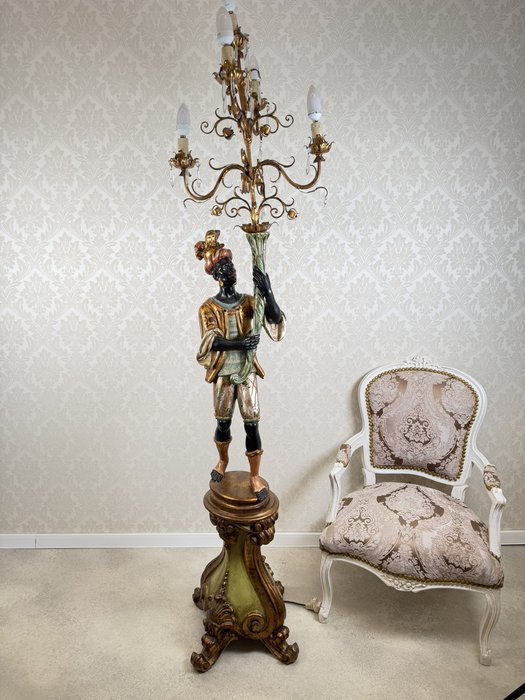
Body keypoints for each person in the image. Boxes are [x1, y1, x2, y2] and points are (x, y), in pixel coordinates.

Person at [195, 231, 285, 501]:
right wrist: (241, 343)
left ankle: (255, 475)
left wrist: (267, 290)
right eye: (224, 267)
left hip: (247, 371)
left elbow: (274, 319)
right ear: (216, 275)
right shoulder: (208, 308)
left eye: (232, 266)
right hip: (224, 373)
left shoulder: (248, 302)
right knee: (223, 423)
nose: (231, 270)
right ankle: (222, 460)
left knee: (252, 424)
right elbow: (212, 341)